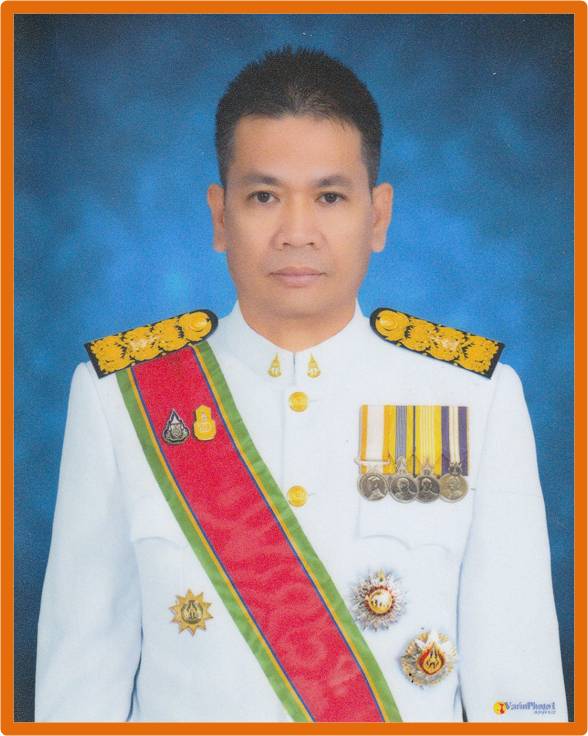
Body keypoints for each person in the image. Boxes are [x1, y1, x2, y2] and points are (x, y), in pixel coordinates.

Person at [35, 46, 567, 723]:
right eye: (264, 196)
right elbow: (79, 687)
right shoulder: (120, 398)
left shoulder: (474, 399)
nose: (296, 232)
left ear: (378, 216)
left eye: (329, 197)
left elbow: (518, 691)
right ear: (220, 216)